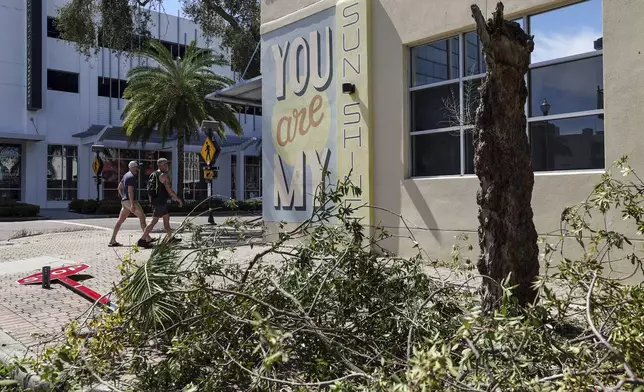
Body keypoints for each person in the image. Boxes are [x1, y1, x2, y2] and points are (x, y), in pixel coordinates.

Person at [137, 157, 183, 248]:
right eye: (166, 164)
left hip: (157, 201)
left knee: (166, 218)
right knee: (154, 221)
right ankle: (142, 240)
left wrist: (151, 201)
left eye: (167, 164)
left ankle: (170, 238)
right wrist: (178, 199)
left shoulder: (153, 174)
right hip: (160, 202)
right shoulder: (163, 176)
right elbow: (170, 191)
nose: (167, 166)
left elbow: (151, 190)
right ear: (161, 165)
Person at [109, 161, 154, 247]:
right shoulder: (131, 177)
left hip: (125, 202)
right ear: (133, 167)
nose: (137, 169)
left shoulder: (126, 175)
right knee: (142, 217)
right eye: (137, 167)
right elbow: (130, 191)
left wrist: (123, 197)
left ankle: (112, 240)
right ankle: (146, 239)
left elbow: (119, 187)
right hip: (131, 201)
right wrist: (132, 204)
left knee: (120, 221)